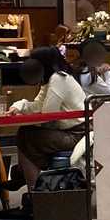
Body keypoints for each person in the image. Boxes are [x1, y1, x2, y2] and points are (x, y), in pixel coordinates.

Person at [12, 47, 86, 190]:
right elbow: (38, 105)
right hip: (70, 132)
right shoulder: (50, 79)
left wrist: (27, 112)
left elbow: (48, 113)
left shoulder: (59, 78)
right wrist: (19, 106)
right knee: (25, 134)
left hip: (77, 134)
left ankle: (32, 187)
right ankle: (26, 179)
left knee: (26, 136)